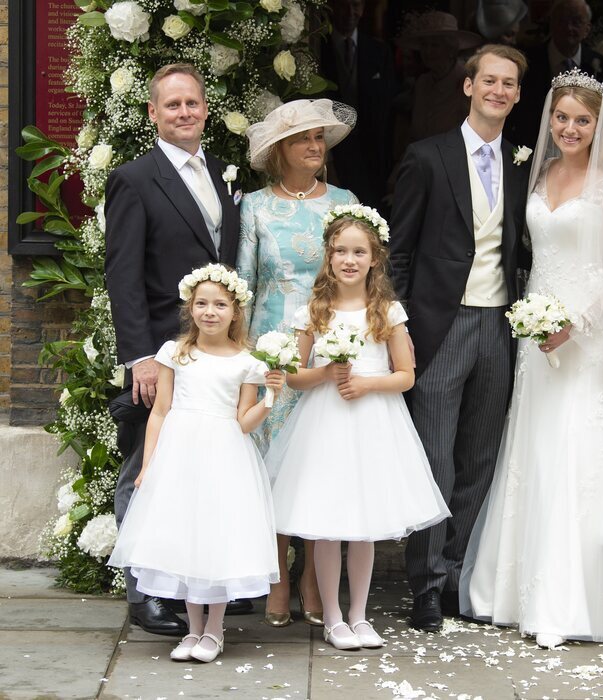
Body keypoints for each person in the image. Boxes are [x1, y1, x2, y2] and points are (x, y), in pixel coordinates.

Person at [460, 68, 603, 648]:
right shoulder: (538, 174)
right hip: (535, 339)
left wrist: (578, 322)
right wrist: (539, 322)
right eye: (561, 117)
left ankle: (572, 603)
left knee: (577, 451)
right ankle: (516, 590)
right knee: (534, 447)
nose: (569, 128)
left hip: (585, 341)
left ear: (599, 125)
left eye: (582, 120)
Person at [389, 44, 530, 633]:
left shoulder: (526, 164)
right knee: (435, 459)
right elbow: (397, 252)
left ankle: (455, 576)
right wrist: (396, 326)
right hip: (440, 326)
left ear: (518, 95)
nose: (498, 91)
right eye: (488, 80)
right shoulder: (427, 158)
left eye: (509, 84)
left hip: (501, 325)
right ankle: (423, 583)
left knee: (481, 459)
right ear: (468, 86)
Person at [264, 207, 449, 651]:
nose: (349, 259)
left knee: (364, 523)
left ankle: (360, 615)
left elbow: (405, 375)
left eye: (359, 252)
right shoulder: (316, 310)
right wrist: (326, 374)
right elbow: (293, 375)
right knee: (328, 523)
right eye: (340, 251)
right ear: (328, 257)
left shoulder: (386, 311)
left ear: (374, 259)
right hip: (324, 423)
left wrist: (366, 383)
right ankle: (332, 617)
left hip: (373, 422)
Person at [105, 63, 245, 636]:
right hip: (162, 352)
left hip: (216, 350)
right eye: (172, 105)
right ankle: (145, 593)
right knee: (148, 466)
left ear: (205, 109)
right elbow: (122, 273)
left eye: (192, 103)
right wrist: (140, 355)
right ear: (152, 114)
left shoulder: (220, 173)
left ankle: (201, 586)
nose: (183, 113)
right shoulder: (135, 179)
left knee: (203, 469)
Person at [109, 266, 282, 664]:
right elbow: (160, 412)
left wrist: (269, 397)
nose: (210, 312)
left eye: (220, 304)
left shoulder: (247, 362)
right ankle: (192, 629)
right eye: (201, 303)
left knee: (215, 535)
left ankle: (214, 630)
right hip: (179, 453)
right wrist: (148, 463)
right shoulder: (175, 353)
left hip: (224, 454)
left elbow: (243, 423)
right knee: (186, 535)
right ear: (190, 308)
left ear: (235, 311)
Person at [238, 98, 358, 629]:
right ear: (279, 151)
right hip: (269, 342)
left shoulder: (345, 201)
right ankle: (277, 576)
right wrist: (242, 353)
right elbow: (243, 280)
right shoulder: (256, 207)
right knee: (270, 461)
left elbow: (357, 273)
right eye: (302, 139)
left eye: (319, 139)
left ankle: (314, 576)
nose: (315, 147)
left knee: (316, 459)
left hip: (326, 339)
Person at [319, 0, 395, 210]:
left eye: (356, 5)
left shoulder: (379, 51)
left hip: (372, 154)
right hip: (333, 152)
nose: (350, 12)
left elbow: (388, 111)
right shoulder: (317, 49)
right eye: (343, 5)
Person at [506, 0, 603, 147]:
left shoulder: (602, 65)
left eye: (576, 22)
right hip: (531, 148)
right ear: (551, 24)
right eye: (562, 20)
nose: (569, 28)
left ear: (587, 29)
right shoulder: (526, 61)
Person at [398, 11, 483, 143]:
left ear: (451, 49)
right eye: (424, 45)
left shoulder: (468, 83)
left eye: (434, 45)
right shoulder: (422, 82)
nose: (427, 51)